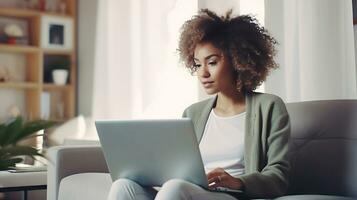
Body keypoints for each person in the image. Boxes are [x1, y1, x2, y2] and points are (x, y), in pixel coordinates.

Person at [107, 9, 290, 200]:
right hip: (189, 191)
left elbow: (279, 177)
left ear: (238, 61)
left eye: (212, 62)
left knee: (175, 189)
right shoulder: (193, 113)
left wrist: (239, 181)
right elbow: (178, 169)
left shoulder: (269, 107)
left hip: (231, 195)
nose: (203, 74)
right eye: (197, 64)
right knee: (123, 186)